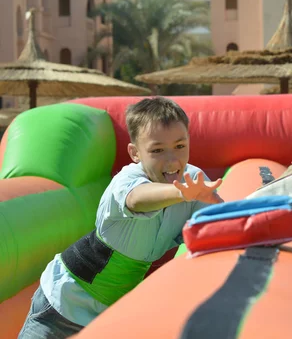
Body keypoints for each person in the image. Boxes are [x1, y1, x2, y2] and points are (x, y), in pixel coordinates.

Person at [18, 97, 224, 339]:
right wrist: (180, 193)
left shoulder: (193, 180)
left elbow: (219, 220)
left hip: (109, 312)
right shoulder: (127, 181)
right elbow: (137, 199)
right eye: (157, 150)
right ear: (135, 153)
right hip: (63, 301)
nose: (172, 160)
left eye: (180, 146)